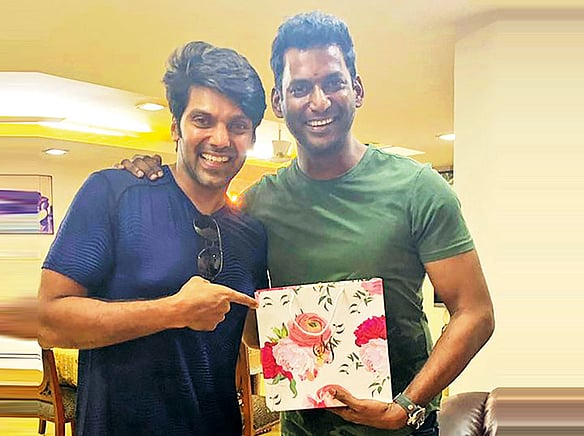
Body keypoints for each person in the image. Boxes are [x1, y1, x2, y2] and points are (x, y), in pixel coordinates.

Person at [118, 11, 495, 436]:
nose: (318, 101)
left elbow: (475, 312)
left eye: (332, 82)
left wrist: (406, 405)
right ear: (279, 102)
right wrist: (148, 180)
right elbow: (255, 333)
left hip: (401, 430)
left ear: (356, 90)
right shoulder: (254, 207)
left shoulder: (418, 189)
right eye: (299, 88)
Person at [37, 41, 268, 436]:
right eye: (202, 120)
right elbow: (48, 322)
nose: (220, 139)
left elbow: (252, 334)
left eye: (238, 125)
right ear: (175, 126)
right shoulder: (114, 194)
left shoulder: (252, 233)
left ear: (252, 136)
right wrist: (174, 311)